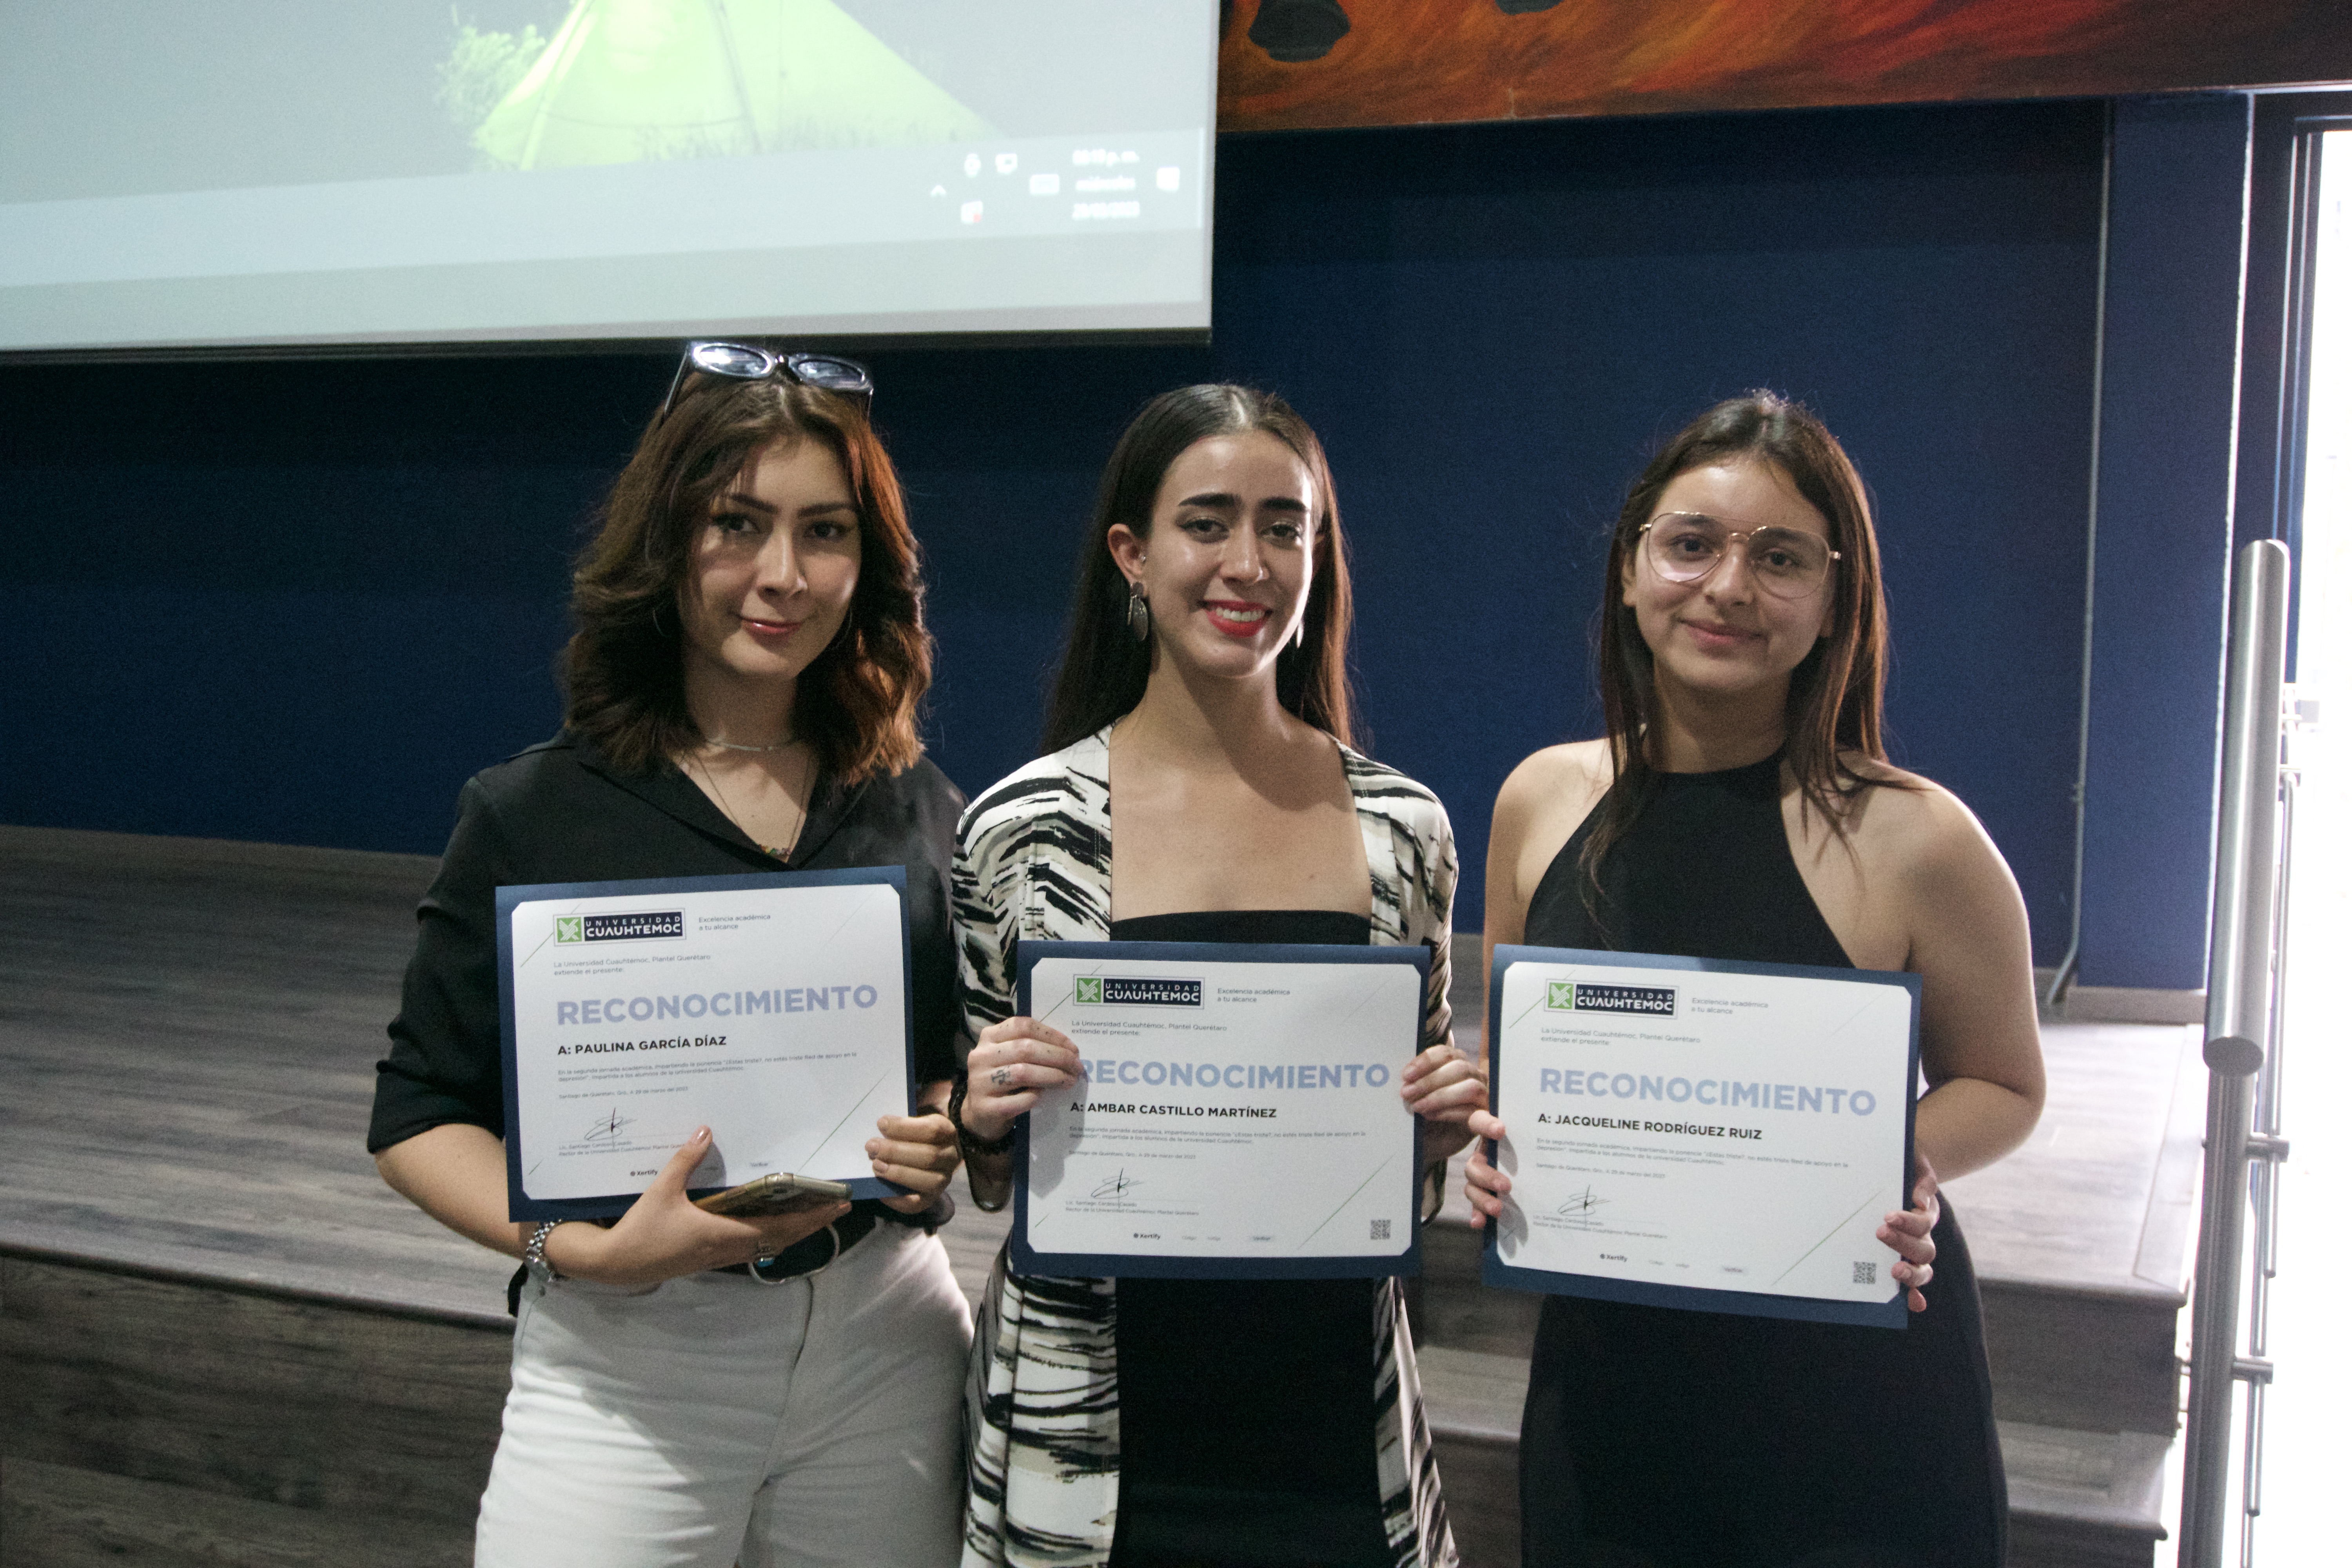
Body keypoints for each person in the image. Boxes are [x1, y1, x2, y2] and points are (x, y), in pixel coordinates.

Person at [367, 343, 973, 1568]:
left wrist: (944, 1122)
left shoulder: (914, 800)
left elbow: (950, 1067)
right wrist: (580, 1249)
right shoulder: (533, 811)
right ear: (666, 541)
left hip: (887, 1337)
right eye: (736, 524)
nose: (783, 575)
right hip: (630, 1353)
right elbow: (419, 1115)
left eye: (827, 532)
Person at [1465, 392, 2045, 1568]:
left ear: (1836, 602)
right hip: (1611, 1378)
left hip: (1851, 1392)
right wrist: (1500, 1148)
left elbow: (2006, 1085)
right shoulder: (1539, 800)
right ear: (1632, 572)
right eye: (1691, 545)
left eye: (1780, 559)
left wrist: (1892, 1162)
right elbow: (1521, 1065)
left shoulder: (1919, 837)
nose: (1728, 588)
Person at [944, 385, 1483, 1568]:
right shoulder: (1020, 830)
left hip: (1335, 1428)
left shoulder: (1403, 829)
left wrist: (1435, 1131)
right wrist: (981, 1115)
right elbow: (989, 1171)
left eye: (1284, 527)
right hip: (1087, 1437)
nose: (1250, 563)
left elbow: (1410, 1152)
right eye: (1209, 522)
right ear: (1131, 555)